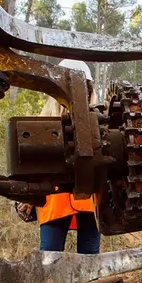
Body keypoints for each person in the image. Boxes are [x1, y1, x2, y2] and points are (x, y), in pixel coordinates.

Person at [36, 59, 101, 254]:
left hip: (89, 199)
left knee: (89, 258)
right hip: (54, 199)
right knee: (49, 256)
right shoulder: (42, 124)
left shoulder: (98, 123)